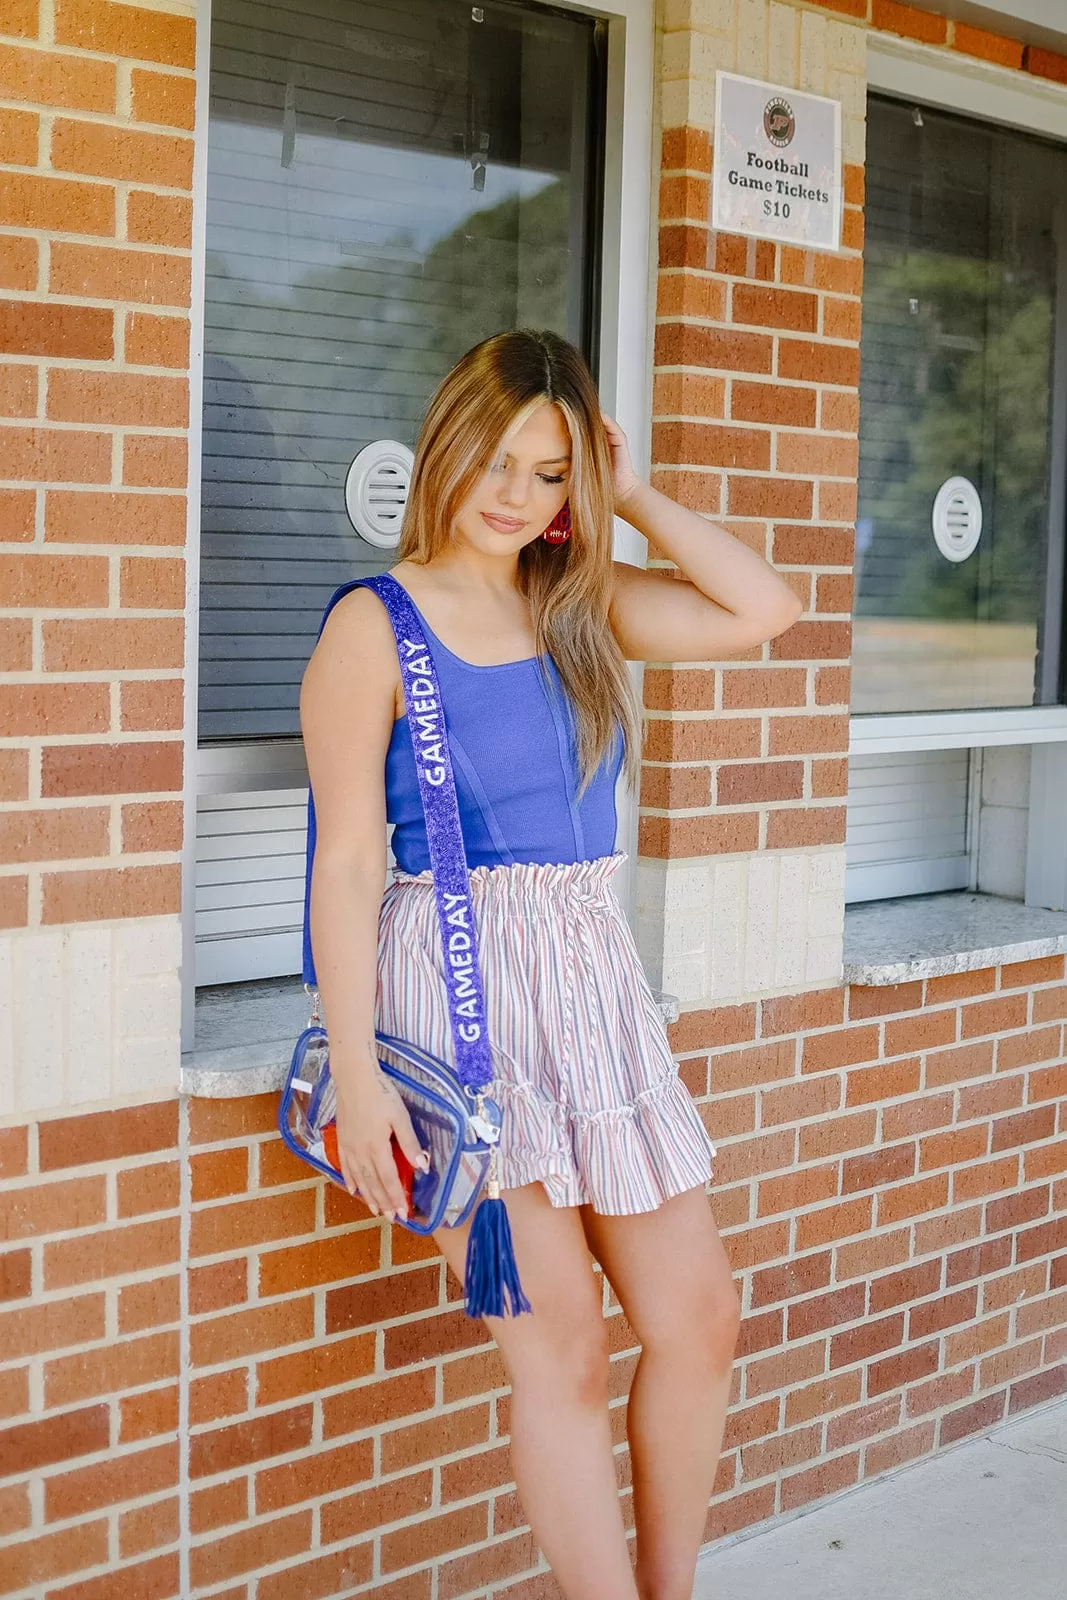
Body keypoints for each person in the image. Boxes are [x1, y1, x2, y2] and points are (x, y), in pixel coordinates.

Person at [301, 329, 802, 1600]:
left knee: (696, 1320)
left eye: (549, 473)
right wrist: (357, 1076)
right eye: (498, 457)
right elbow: (349, 865)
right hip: (463, 1001)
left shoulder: (575, 601)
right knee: (564, 1353)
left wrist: (628, 494)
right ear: (445, 439)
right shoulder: (375, 625)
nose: (514, 494)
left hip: (590, 983)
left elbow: (763, 608)